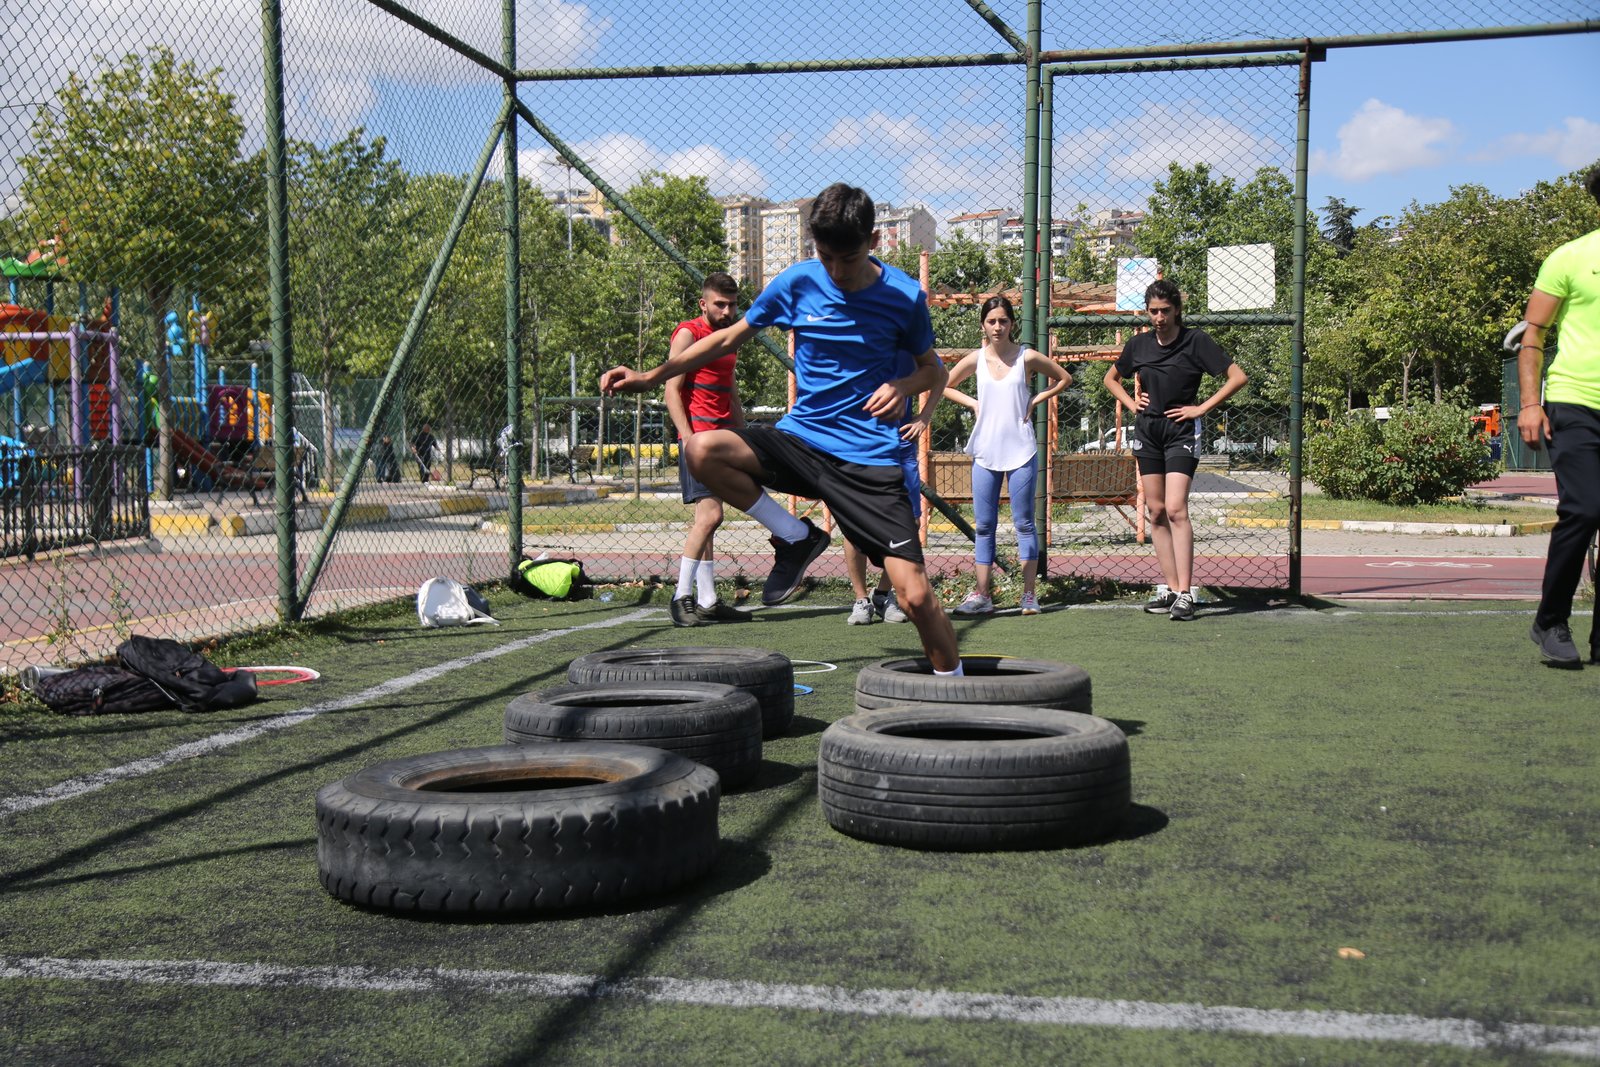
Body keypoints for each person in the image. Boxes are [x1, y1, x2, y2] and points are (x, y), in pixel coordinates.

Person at [600, 183, 963, 674]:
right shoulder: (796, 282)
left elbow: (933, 371)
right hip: (803, 439)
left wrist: (903, 385)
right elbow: (727, 337)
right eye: (825, 255)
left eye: (848, 257)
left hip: (867, 459)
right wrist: (652, 376)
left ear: (874, 241)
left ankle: (954, 697)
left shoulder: (902, 296)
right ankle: (795, 537)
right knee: (702, 450)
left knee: (916, 597)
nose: (835, 270)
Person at [1102, 278, 1247, 621]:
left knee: (1176, 508)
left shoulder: (1196, 341)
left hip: (1181, 430)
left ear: (1177, 310)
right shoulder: (1139, 345)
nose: (1159, 318)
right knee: (1155, 511)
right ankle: (1169, 589)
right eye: (1153, 311)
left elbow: (1237, 377)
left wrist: (1200, 408)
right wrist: (1132, 402)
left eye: (1165, 311)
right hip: (1148, 429)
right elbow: (1110, 379)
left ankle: (1186, 592)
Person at [942, 295, 1072, 616]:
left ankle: (1029, 595)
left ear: (1012, 323)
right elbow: (944, 385)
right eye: (991, 321)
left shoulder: (1026, 357)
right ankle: (982, 595)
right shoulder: (976, 358)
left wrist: (1037, 398)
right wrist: (972, 403)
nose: (997, 327)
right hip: (985, 451)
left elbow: (1064, 378)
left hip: (1022, 450)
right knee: (984, 526)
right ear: (983, 325)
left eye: (1003, 320)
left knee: (1024, 523)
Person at [1519, 165, 1600, 667]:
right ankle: (1551, 620)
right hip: (1576, 402)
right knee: (1587, 510)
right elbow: (1532, 338)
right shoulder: (1570, 257)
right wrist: (1530, 403)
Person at [663, 272, 751, 627]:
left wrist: (743, 434)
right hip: (697, 439)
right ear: (704, 303)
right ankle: (680, 597)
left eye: (732, 304)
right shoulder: (688, 333)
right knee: (711, 517)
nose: (727, 310)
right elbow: (672, 390)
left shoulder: (729, 338)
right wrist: (686, 439)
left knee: (709, 520)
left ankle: (709, 600)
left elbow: (730, 389)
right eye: (720, 304)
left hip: (724, 439)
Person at [845, 350, 947, 625]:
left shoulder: (908, 338)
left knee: (910, 522)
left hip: (900, 447)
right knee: (853, 524)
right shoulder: (854, 337)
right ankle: (860, 599)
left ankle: (883, 594)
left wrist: (924, 417)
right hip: (858, 450)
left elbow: (941, 373)